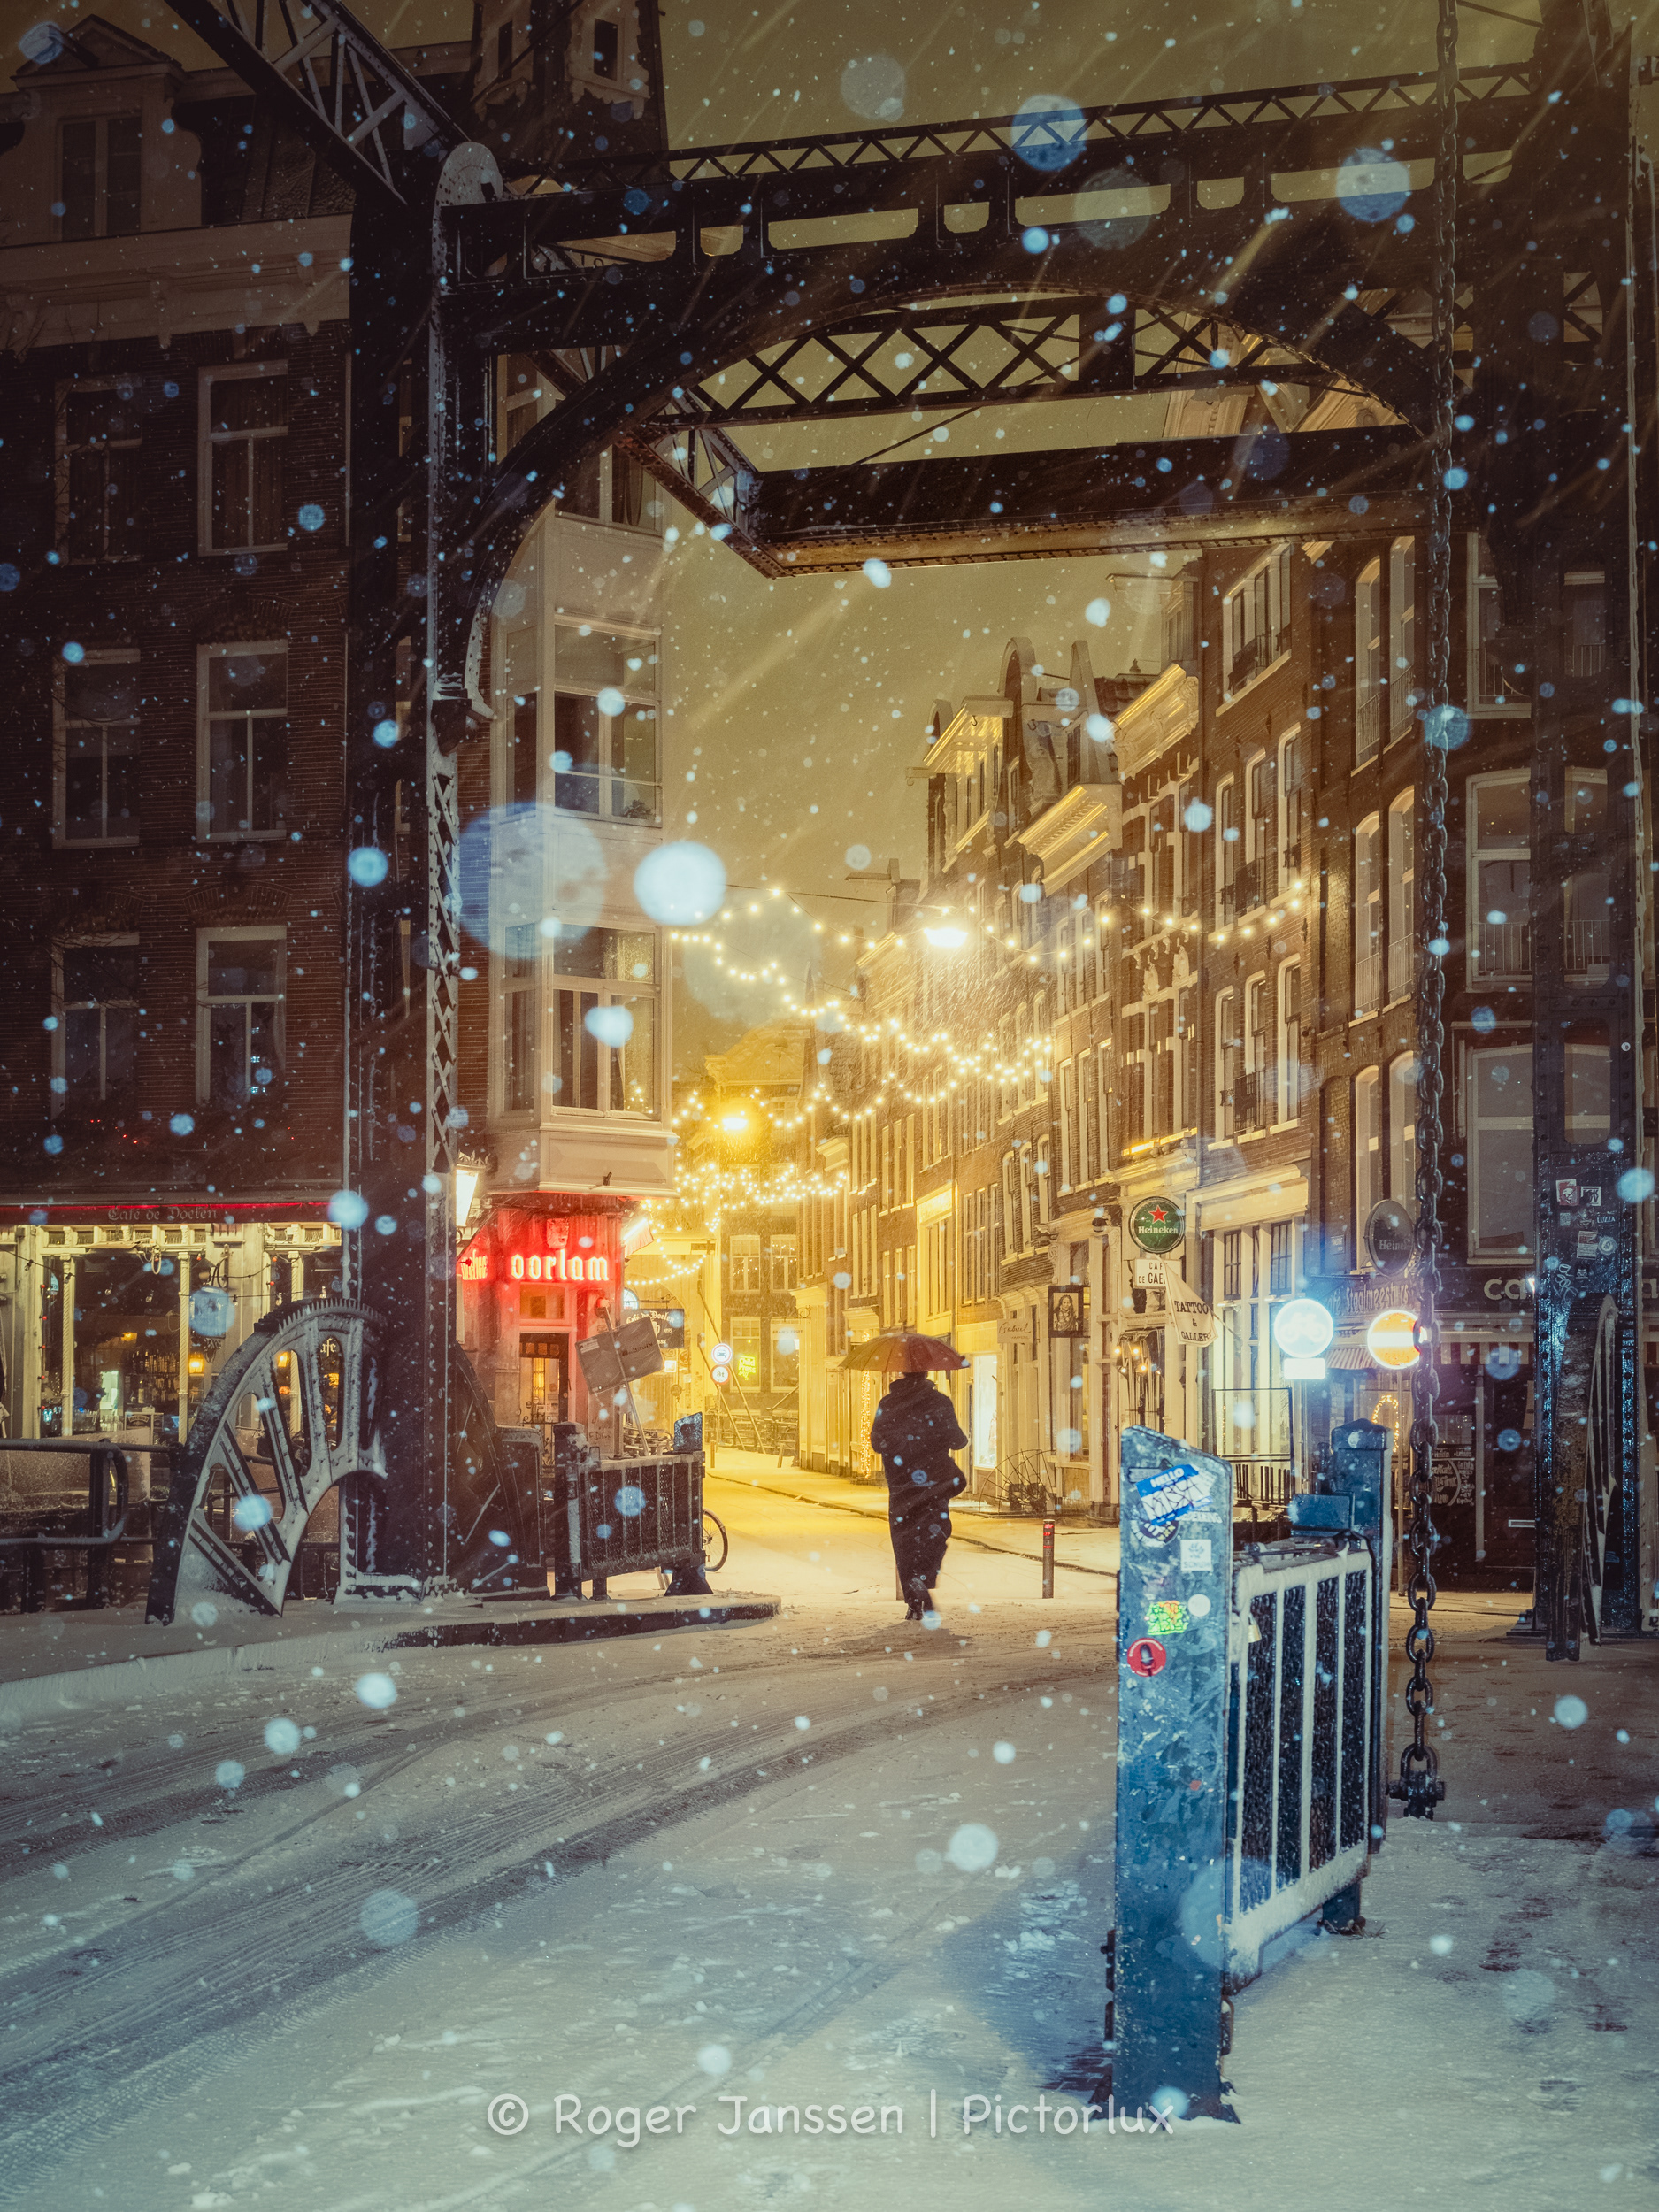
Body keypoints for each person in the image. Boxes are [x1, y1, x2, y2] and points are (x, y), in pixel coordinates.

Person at [870, 1370, 968, 1622]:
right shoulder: (939, 1402)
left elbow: (876, 1442)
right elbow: (957, 1441)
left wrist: (902, 1446)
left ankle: (914, 1598)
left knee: (904, 1541)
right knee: (935, 1534)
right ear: (926, 1374)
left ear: (902, 1373)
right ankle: (924, 1577)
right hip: (933, 1485)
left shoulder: (888, 1404)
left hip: (902, 1486)